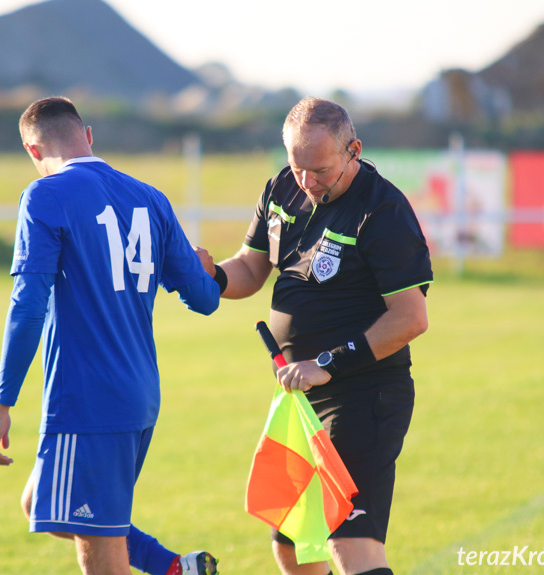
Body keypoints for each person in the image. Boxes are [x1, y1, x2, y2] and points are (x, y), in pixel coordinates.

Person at [0, 96, 220, 575]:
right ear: (88, 136)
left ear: (33, 150)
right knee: (43, 504)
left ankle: (174, 569)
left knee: (97, 548)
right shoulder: (151, 197)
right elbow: (205, 299)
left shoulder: (44, 195)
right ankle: (176, 569)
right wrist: (204, 270)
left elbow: (27, 306)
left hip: (87, 401)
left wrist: (1, 404)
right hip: (140, 394)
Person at [196, 97, 432, 575]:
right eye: (297, 166)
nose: (307, 181)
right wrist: (212, 276)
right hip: (300, 400)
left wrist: (326, 363)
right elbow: (250, 267)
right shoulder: (283, 186)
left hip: (364, 395)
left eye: (320, 169)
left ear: (354, 150)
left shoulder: (382, 210)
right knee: (293, 541)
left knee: (349, 540)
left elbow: (410, 319)